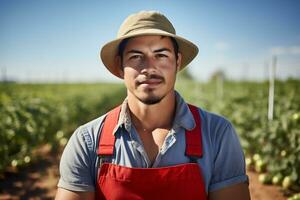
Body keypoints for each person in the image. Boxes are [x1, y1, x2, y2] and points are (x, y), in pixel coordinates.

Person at [55, 10, 250, 200]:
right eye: (136, 56)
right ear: (120, 65)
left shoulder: (217, 134)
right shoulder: (87, 141)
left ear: (177, 62)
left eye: (161, 55)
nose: (149, 67)